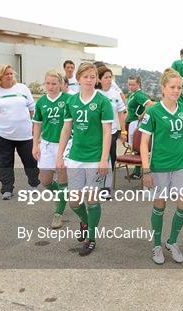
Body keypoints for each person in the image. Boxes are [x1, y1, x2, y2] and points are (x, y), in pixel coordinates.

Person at [56, 63, 114, 256]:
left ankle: (91, 238)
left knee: (92, 200)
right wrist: (59, 155)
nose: (89, 80)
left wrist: (104, 159)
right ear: (78, 78)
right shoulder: (71, 101)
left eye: (92, 76)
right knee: (74, 201)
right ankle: (87, 223)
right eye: (86, 76)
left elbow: (107, 132)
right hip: (75, 158)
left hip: (95, 159)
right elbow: (66, 130)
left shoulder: (103, 102)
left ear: (96, 79)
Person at [139, 68, 183, 264]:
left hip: (180, 165)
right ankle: (157, 245)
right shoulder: (153, 110)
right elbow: (143, 143)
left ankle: (172, 241)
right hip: (159, 166)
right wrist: (146, 169)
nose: (176, 90)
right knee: (160, 205)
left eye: (179, 87)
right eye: (172, 87)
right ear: (163, 88)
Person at [0, 64, 40, 200]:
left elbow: (33, 109)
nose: (9, 76)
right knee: (5, 163)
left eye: (10, 73)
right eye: (6, 74)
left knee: (30, 161)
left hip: (25, 135)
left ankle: (34, 185)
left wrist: (34, 129)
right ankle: (7, 189)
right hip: (4, 136)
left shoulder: (22, 88)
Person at [32, 70, 70, 228]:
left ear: (61, 84)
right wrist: (35, 144)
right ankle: (62, 196)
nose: (51, 86)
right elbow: (37, 124)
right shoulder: (41, 102)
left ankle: (58, 214)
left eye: (54, 83)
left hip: (66, 144)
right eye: (48, 83)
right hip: (47, 144)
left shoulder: (69, 99)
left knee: (62, 176)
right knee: (45, 180)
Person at [96, 66, 127, 198]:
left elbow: (121, 113)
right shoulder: (95, 94)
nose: (109, 80)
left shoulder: (115, 94)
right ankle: (97, 185)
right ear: (99, 79)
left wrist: (123, 131)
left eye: (110, 77)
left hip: (112, 132)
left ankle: (106, 187)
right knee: (98, 159)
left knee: (111, 159)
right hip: (97, 133)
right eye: (106, 77)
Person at [125, 75, 152, 179]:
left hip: (135, 122)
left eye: (133, 84)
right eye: (129, 84)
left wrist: (142, 115)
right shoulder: (133, 94)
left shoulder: (138, 95)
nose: (130, 86)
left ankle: (137, 172)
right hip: (131, 122)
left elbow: (149, 104)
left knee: (137, 148)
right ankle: (137, 172)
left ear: (139, 84)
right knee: (134, 148)